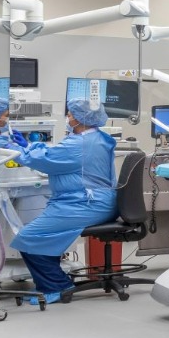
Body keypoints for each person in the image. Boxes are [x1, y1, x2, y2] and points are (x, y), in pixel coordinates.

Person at [11, 98, 119, 304]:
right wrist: (29, 145)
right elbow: (54, 155)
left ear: (81, 118)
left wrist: (14, 148)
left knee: (28, 237)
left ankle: (58, 286)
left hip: (87, 203)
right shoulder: (97, 137)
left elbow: (45, 160)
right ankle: (50, 282)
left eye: (70, 114)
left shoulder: (80, 143)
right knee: (43, 236)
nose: (68, 118)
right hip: (87, 200)